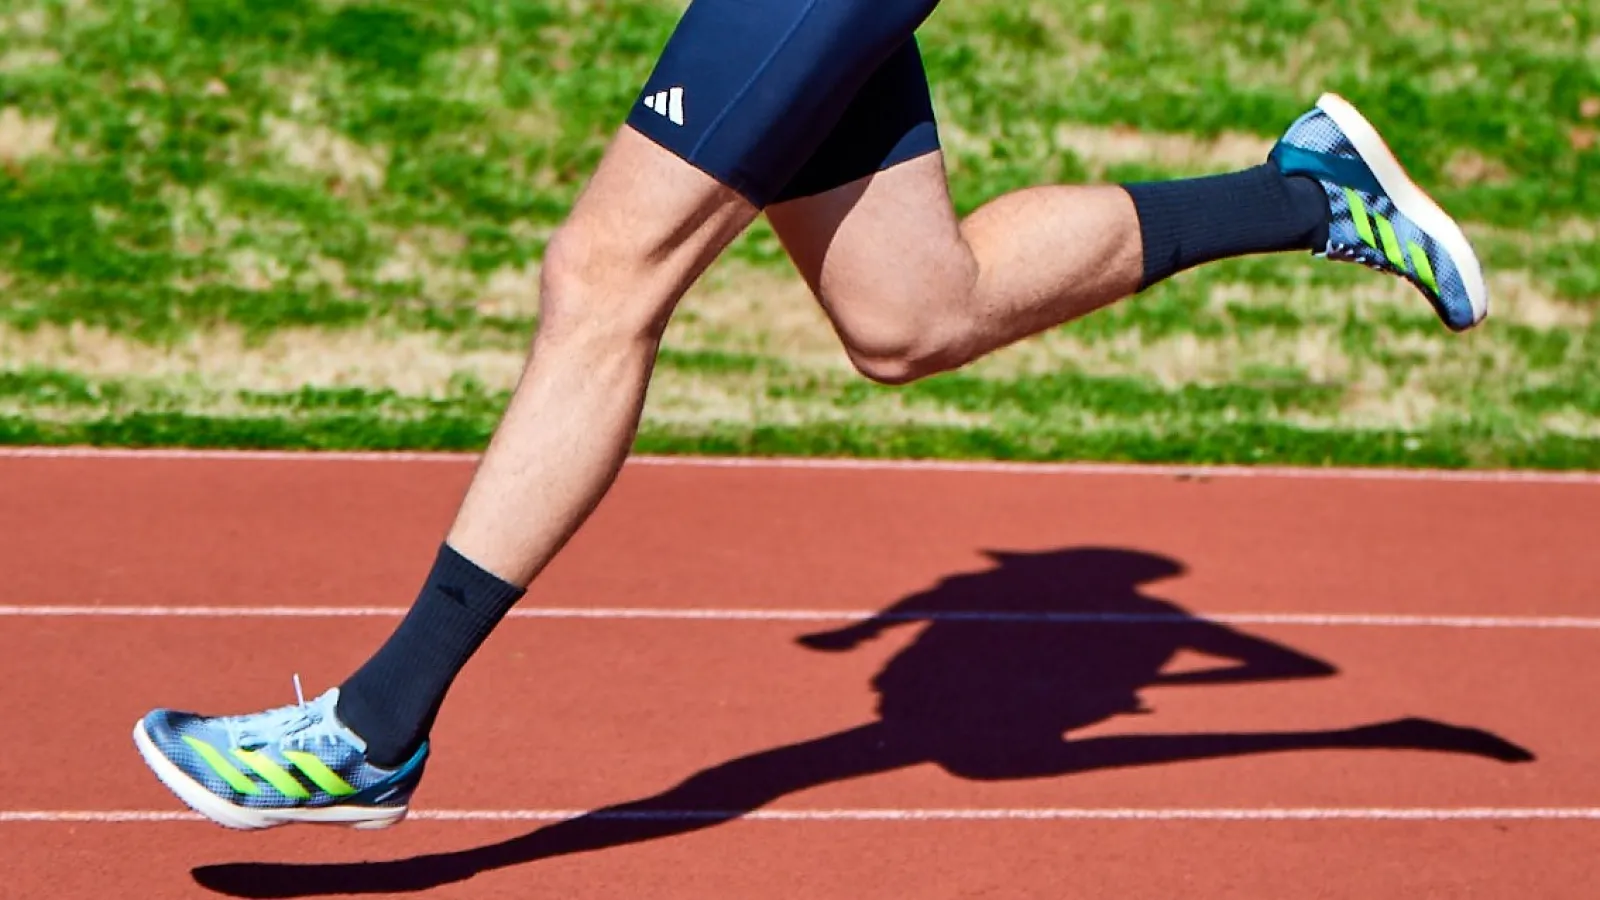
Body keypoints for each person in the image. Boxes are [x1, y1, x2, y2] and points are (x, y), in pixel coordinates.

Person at [132, 0, 1487, 831]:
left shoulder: (1145, 614)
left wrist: (1325, 719)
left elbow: (1253, 658)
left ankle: (375, 727)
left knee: (606, 273)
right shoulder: (980, 603)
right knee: (913, 312)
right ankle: (1309, 194)